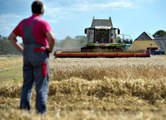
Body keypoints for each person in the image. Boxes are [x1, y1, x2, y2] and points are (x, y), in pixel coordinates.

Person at [8, 0, 55, 114]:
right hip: (40, 56)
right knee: (41, 86)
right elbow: (52, 38)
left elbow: (11, 37)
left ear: (32, 9)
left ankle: (24, 113)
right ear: (42, 10)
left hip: (27, 57)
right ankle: (40, 113)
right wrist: (49, 49)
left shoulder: (23, 23)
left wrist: (22, 50)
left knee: (27, 85)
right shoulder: (43, 23)